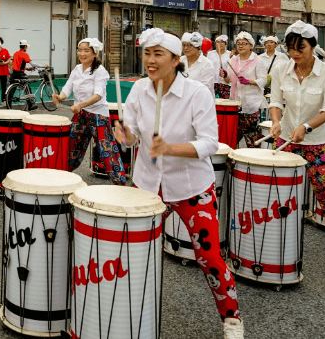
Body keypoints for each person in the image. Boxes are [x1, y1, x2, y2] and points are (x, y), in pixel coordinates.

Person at [110, 28, 243, 339]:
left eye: (158, 54)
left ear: (175, 59)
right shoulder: (139, 89)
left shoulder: (197, 93)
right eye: (147, 53)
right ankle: (123, 307)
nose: (150, 60)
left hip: (190, 187)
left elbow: (211, 143)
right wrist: (125, 136)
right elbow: (131, 135)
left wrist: (169, 148)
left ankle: (231, 318)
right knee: (130, 247)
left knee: (208, 256)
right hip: (147, 182)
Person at [267, 20, 325, 279]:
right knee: (276, 197)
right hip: (286, 141)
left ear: (314, 47)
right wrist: (275, 121)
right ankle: (272, 249)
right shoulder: (282, 69)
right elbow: (275, 101)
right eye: (291, 48)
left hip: (319, 145)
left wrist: (305, 127)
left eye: (301, 48)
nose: (295, 53)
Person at [52, 38, 127, 184]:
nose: (82, 53)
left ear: (94, 53)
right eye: (80, 50)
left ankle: (120, 184)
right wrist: (60, 96)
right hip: (80, 115)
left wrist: (80, 105)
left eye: (86, 50)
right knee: (72, 147)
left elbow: (98, 95)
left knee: (107, 151)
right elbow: (68, 88)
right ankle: (63, 179)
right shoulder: (77, 69)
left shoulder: (100, 71)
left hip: (98, 115)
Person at [223, 32, 267, 148]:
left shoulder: (258, 60)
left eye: (244, 43)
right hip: (235, 104)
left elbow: (263, 80)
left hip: (251, 105)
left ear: (251, 46)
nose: (240, 46)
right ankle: (232, 163)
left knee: (252, 141)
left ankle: (254, 163)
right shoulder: (232, 60)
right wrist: (224, 75)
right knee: (231, 139)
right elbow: (228, 81)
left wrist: (249, 82)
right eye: (238, 43)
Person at [259, 36, 289, 103]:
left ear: (276, 44)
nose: (269, 44)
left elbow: (287, 70)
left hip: (278, 86)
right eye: (267, 43)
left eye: (271, 42)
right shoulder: (260, 57)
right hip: (265, 87)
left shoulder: (282, 56)